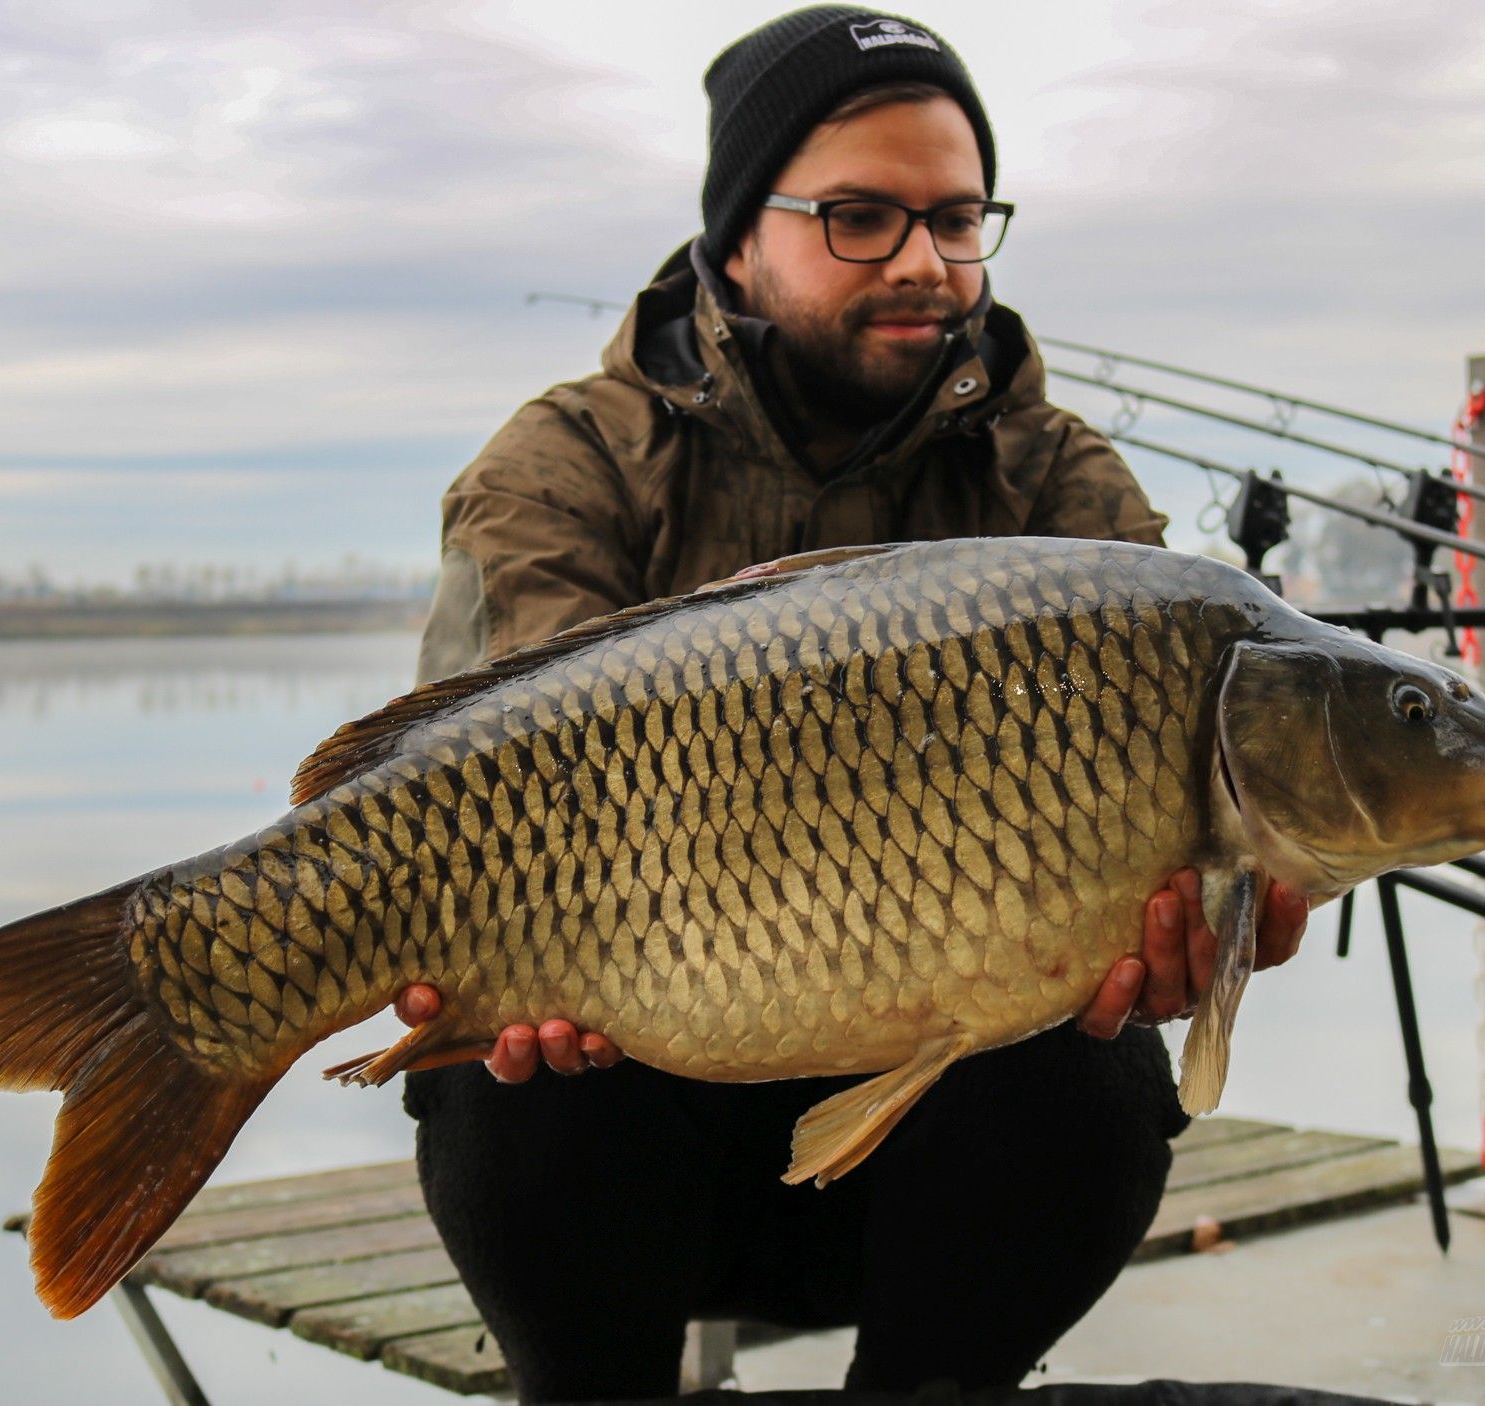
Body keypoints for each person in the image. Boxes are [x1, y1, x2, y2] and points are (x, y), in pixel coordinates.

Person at [391, 7, 1308, 1398]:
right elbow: (507, 763)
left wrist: (1213, 934)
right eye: (861, 217)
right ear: (738, 238)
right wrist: (516, 963)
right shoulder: (563, 465)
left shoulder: (1059, 487)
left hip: (918, 1183)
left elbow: (1176, 831)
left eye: (956, 218)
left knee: (1102, 1068)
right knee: (509, 1076)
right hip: (638, 1150)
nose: (926, 263)